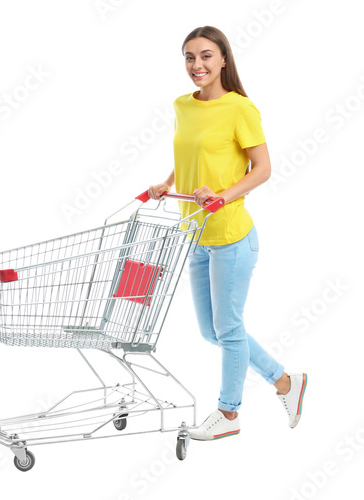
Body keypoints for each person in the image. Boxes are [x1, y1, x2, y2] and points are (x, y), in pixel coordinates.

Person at [148, 26, 307, 441]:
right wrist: (168, 182)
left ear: (223, 60)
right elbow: (190, 155)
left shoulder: (240, 108)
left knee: (229, 329)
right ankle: (286, 382)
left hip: (232, 238)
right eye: (188, 57)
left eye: (205, 56)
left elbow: (263, 169)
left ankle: (228, 414)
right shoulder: (183, 105)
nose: (196, 65)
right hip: (195, 235)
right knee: (212, 331)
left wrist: (221, 196)